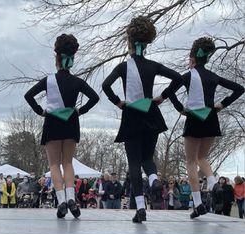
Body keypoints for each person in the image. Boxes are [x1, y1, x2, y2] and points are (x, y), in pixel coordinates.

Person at [102, 16, 182, 223]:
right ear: (145, 45)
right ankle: (154, 180)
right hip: (151, 112)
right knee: (147, 157)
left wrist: (118, 102)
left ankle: (140, 208)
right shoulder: (153, 65)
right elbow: (179, 78)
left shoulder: (122, 67)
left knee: (134, 163)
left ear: (130, 42)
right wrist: (162, 97)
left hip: (131, 115)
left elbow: (105, 85)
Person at [166, 37, 244, 219]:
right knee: (203, 157)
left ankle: (198, 203)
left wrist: (180, 109)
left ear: (193, 58)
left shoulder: (187, 76)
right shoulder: (213, 76)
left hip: (194, 117)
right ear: (207, 58)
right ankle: (213, 181)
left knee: (191, 161)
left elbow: (169, 91)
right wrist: (222, 104)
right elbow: (239, 88)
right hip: (210, 116)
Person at [25, 34, 99, 219]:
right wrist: (80, 111)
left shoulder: (48, 81)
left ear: (56, 59)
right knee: (68, 163)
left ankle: (62, 201)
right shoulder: (77, 81)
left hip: (52, 121)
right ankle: (72, 198)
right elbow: (95, 97)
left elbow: (28, 95)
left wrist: (40, 111)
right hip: (71, 121)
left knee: (54, 164)